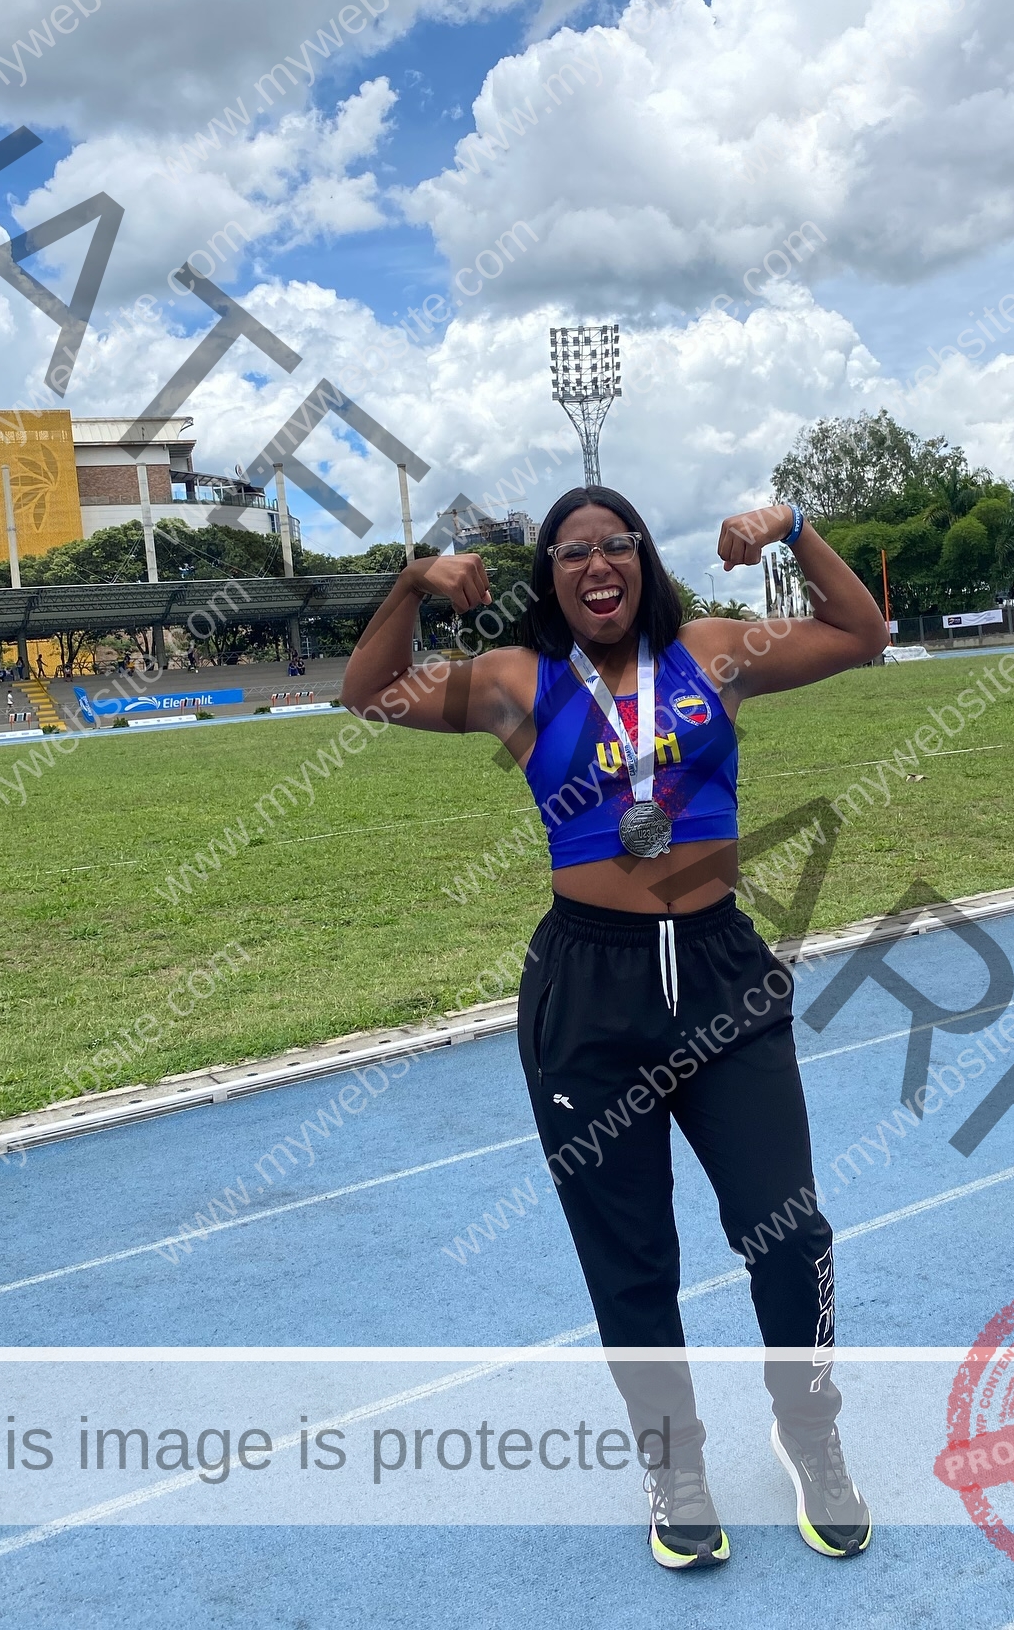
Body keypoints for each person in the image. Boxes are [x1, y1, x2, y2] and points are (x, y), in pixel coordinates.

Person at [341, 485, 888, 1572]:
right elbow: (369, 695)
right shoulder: (517, 685)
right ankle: (673, 1464)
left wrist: (789, 531)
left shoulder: (715, 652)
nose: (597, 566)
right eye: (571, 551)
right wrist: (409, 582)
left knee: (791, 1230)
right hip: (590, 993)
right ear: (547, 574)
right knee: (629, 1259)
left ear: (643, 558)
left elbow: (862, 632)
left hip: (724, 975)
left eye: (615, 546)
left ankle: (810, 1433)